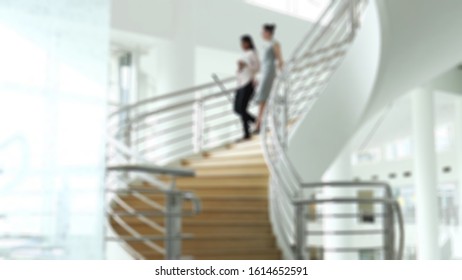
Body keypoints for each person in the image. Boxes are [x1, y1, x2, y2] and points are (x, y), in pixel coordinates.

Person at [254, 23, 284, 134]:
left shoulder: (275, 44)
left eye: (262, 31)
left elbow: (280, 60)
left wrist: (282, 75)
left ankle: (259, 125)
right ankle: (265, 124)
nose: (261, 34)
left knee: (263, 97)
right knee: (265, 97)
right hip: (264, 73)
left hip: (270, 72)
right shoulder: (264, 45)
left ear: (267, 32)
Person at [234, 35, 260, 141]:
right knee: (236, 109)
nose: (243, 45)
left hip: (248, 83)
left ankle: (246, 133)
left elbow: (258, 67)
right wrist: (240, 68)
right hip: (240, 84)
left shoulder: (252, 53)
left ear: (249, 43)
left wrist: (246, 65)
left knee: (242, 108)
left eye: (245, 43)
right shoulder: (243, 54)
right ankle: (258, 123)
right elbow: (240, 70)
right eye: (242, 43)